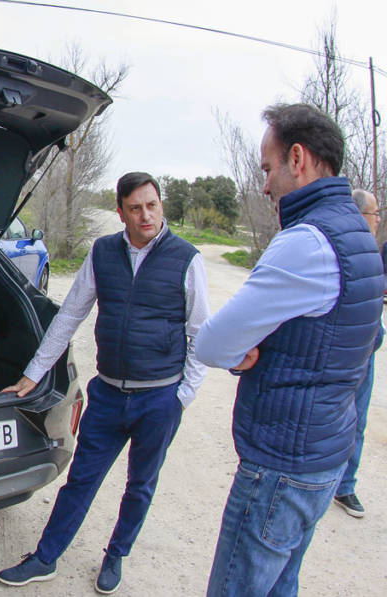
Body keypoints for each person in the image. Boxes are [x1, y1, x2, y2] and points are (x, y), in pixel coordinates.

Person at [197, 104, 384, 597]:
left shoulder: (308, 242)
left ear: (296, 159)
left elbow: (213, 342)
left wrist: (240, 352)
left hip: (281, 465)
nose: (264, 185)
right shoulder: (360, 238)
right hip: (325, 454)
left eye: (267, 168)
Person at [0, 172, 210, 594]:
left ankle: (116, 554)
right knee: (82, 478)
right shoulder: (103, 253)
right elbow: (69, 316)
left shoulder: (187, 259)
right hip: (109, 394)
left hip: (159, 399)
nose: (145, 215)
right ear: (121, 212)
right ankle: (45, 557)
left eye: (152, 205)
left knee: (140, 484)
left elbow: (199, 332)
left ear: (161, 205)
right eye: (135, 208)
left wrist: (183, 396)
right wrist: (33, 373)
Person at [332, 188, 382, 518]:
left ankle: (345, 485)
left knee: (359, 420)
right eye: (376, 215)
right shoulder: (341, 250)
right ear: (362, 217)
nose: (378, 221)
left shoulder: (374, 253)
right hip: (345, 352)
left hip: (369, 347)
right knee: (335, 417)